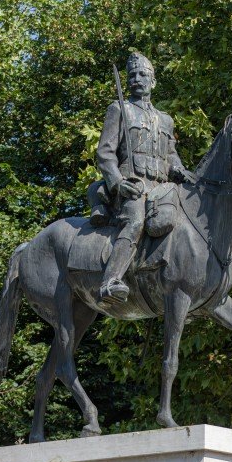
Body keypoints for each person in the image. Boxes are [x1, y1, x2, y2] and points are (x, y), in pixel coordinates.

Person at [91, 52, 187, 302]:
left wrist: (178, 168)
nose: (136, 79)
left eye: (143, 74)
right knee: (135, 220)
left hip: (162, 189)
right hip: (132, 188)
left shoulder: (166, 120)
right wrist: (118, 183)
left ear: (153, 81)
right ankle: (111, 281)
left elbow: (171, 155)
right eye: (132, 75)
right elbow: (105, 153)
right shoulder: (119, 109)